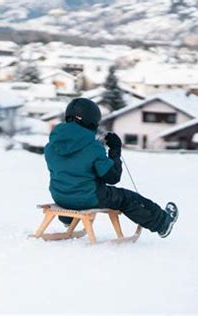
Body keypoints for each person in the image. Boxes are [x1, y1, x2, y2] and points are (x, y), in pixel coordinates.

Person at [44, 98, 179, 238]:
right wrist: (115, 150)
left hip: (60, 196)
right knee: (126, 198)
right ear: (91, 120)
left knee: (69, 183)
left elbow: (69, 171)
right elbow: (113, 177)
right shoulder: (92, 147)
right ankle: (162, 223)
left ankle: (68, 219)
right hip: (88, 198)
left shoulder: (50, 146)